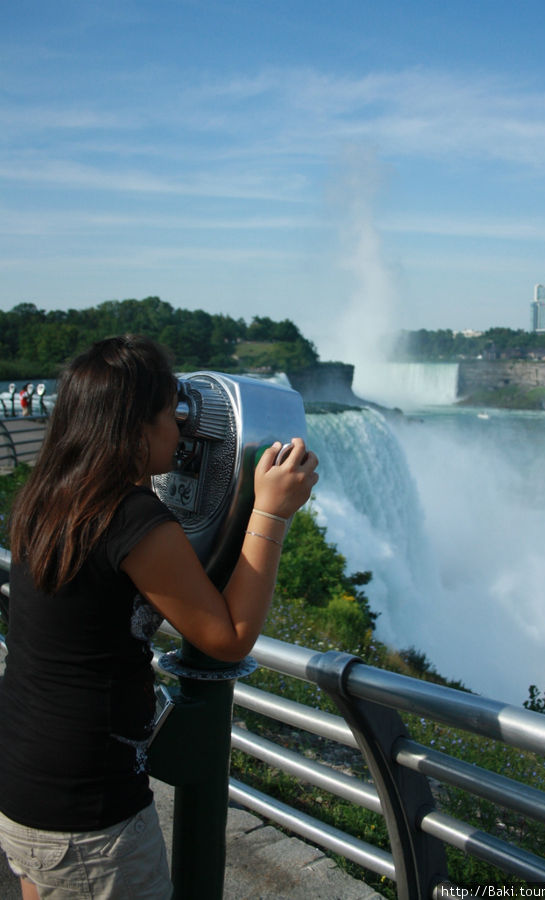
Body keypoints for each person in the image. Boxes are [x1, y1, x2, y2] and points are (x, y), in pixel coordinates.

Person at [0, 335, 318, 900]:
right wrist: (270, 510)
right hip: (90, 812)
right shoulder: (129, 518)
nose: (183, 433)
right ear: (134, 428)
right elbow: (230, 637)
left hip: (25, 780)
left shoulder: (47, 495)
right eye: (173, 418)